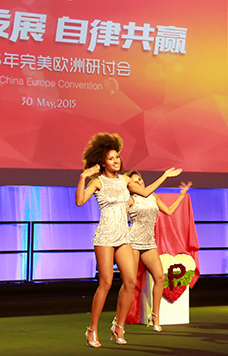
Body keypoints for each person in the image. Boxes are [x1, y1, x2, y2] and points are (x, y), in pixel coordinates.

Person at [75, 133, 137, 348]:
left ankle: (118, 325)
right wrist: (83, 177)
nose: (116, 161)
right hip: (105, 236)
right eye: (111, 158)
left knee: (130, 281)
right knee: (106, 282)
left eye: (117, 157)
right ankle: (91, 329)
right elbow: (80, 201)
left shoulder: (125, 180)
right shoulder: (97, 182)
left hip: (123, 235)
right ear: (102, 162)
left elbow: (143, 192)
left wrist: (164, 177)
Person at [118, 170, 190, 332]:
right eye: (135, 181)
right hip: (133, 242)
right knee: (129, 282)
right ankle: (119, 318)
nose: (139, 182)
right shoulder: (130, 199)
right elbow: (119, 218)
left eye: (140, 179)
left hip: (149, 243)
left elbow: (169, 211)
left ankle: (155, 315)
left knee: (160, 277)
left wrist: (181, 196)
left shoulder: (153, 196)